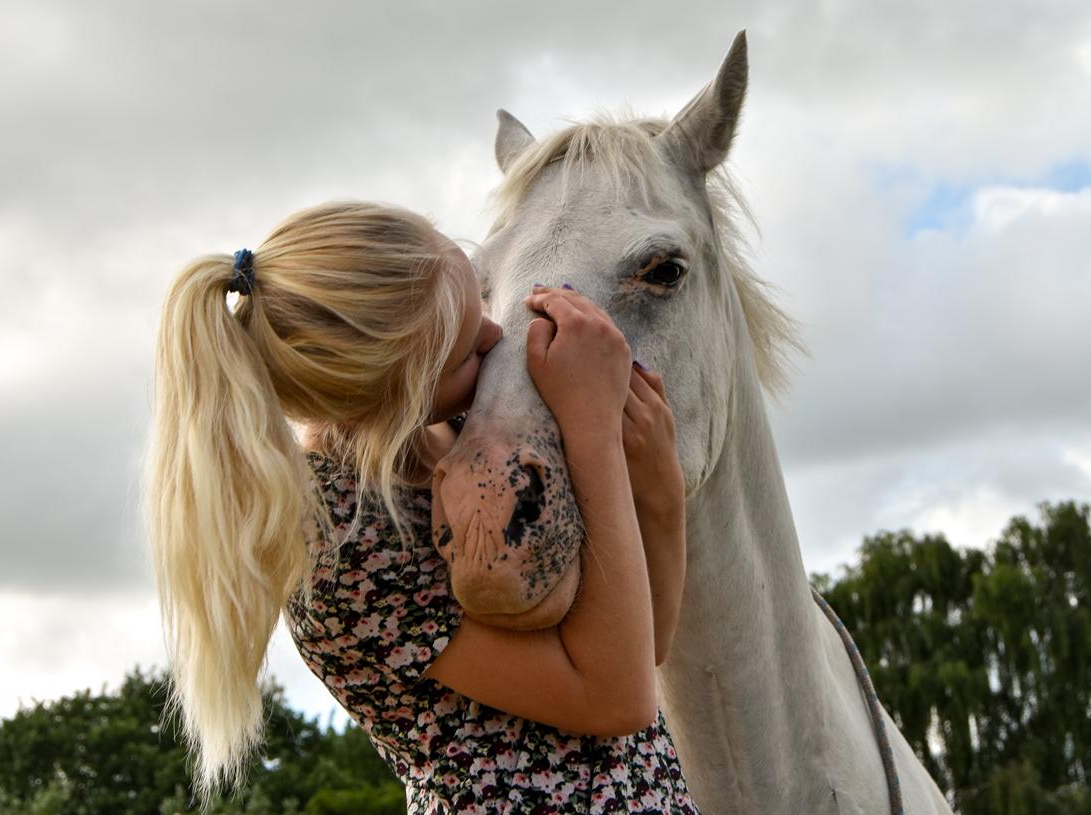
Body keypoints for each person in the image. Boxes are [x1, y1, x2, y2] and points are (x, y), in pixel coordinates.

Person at [147, 201, 696, 813]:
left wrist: (658, 489)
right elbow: (617, 700)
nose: (496, 340)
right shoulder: (338, 549)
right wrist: (591, 427)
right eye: (464, 353)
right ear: (384, 395)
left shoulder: (470, 435)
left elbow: (642, 651)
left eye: (480, 306)